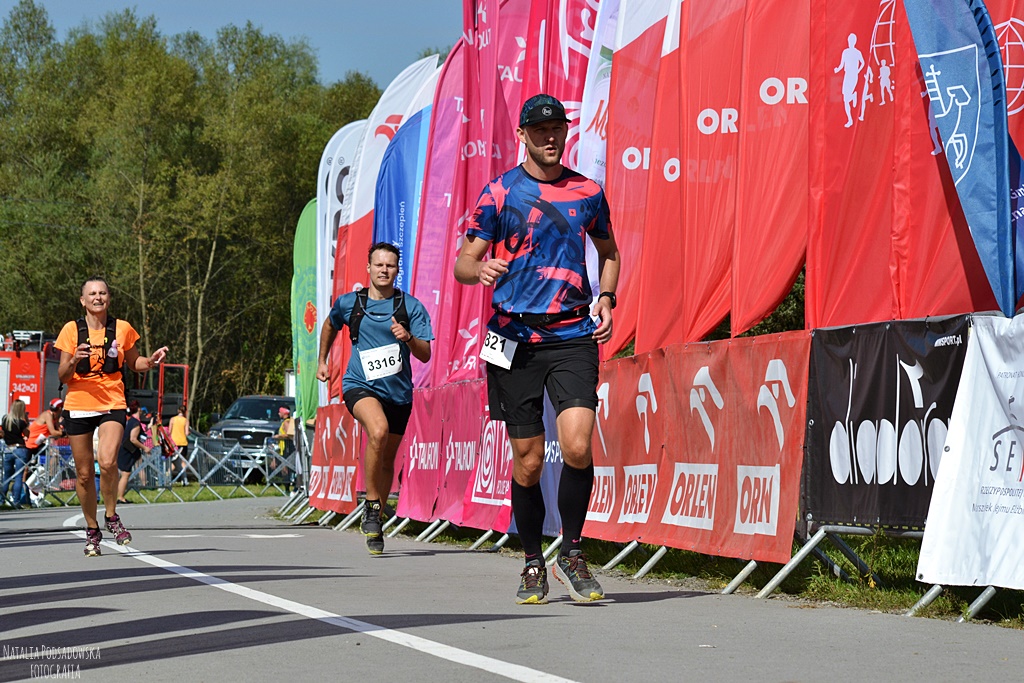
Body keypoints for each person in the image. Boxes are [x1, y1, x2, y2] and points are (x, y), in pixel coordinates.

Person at [454, 94, 621, 604]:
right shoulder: (499, 191)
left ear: (565, 133)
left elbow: (609, 252)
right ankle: (532, 561)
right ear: (522, 135)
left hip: (573, 334)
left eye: (557, 128)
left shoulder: (588, 191)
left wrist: (607, 299)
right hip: (512, 338)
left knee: (577, 446)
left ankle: (572, 551)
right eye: (540, 129)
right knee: (526, 462)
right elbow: (463, 262)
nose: (550, 137)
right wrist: (480, 268)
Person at [317, 242, 434, 555]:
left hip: (398, 393)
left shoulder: (410, 307)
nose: (384, 270)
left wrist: (408, 338)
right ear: (368, 268)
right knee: (378, 431)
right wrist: (322, 361)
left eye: (390, 266)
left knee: (386, 459)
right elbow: (329, 324)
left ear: (397, 270)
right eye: (379, 265)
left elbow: (425, 354)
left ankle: (376, 521)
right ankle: (371, 505)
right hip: (359, 385)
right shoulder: (350, 303)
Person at [55, 276, 168, 557]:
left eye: (103, 293)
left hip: (112, 401)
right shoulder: (71, 330)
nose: (98, 297)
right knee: (84, 474)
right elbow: (63, 375)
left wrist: (150, 362)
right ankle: (92, 530)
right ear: (83, 300)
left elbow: (135, 362)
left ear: (109, 298)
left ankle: (111, 516)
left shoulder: (122, 328)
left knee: (107, 462)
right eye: (92, 293)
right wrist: (74, 359)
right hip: (79, 402)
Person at [116, 403, 151, 504]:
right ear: (138, 409)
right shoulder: (135, 423)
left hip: (123, 448)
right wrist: (145, 448)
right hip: (127, 450)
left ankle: (119, 496)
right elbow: (133, 439)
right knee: (125, 474)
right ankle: (120, 497)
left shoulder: (129, 421)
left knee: (124, 474)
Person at [1, 400, 31, 509]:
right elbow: (27, 434)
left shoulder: (5, 419)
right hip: (20, 449)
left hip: (8, 449)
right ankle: (16, 501)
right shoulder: (21, 422)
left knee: (6, 476)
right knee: (19, 476)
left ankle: (1, 500)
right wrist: (27, 421)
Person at [271, 406, 295, 493]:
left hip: (286, 448)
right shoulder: (284, 422)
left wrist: (278, 436)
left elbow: (290, 434)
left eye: (280, 412)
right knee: (280, 468)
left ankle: (288, 488)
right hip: (282, 448)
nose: (278, 413)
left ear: (284, 413)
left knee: (285, 469)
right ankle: (287, 487)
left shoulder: (286, 422)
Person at [168, 404, 192, 485]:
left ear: (178, 411)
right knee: (182, 461)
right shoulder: (185, 420)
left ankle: (167, 477)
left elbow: (169, 431)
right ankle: (184, 479)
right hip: (182, 443)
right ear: (185, 411)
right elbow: (186, 433)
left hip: (173, 443)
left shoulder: (172, 419)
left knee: (173, 461)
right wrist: (189, 432)